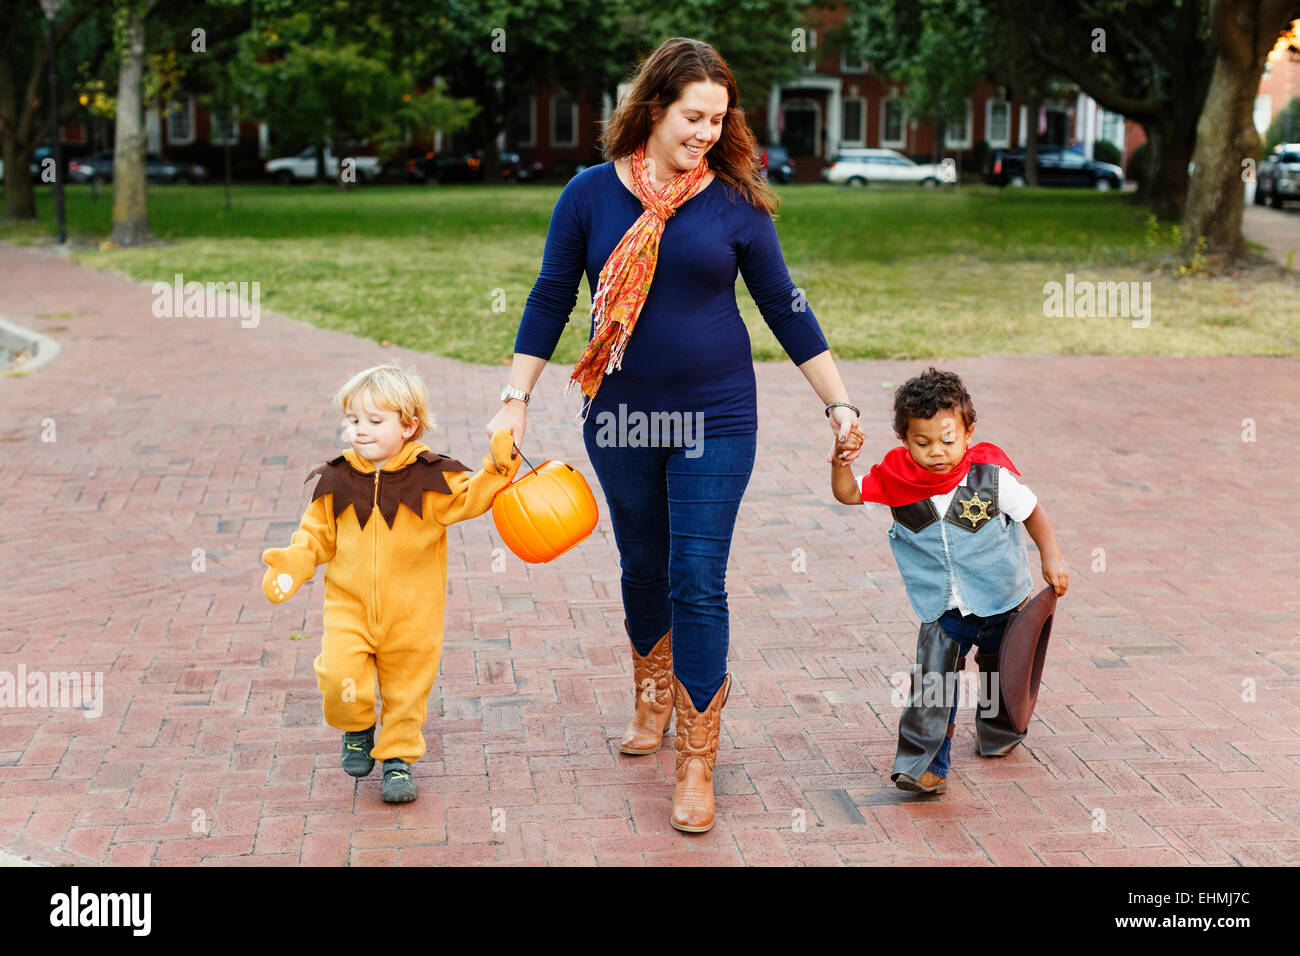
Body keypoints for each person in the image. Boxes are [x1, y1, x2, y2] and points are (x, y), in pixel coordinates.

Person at [486, 37, 866, 833]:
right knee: (643, 565)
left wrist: (838, 404)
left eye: (717, 119)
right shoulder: (589, 194)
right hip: (622, 416)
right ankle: (651, 690)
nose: (705, 131)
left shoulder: (734, 201)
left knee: (698, 575)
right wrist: (515, 397)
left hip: (717, 414)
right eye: (694, 116)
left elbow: (784, 304)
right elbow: (552, 295)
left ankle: (698, 756)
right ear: (654, 107)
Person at [262, 364, 520, 803]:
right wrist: (292, 563)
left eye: (374, 421)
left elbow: (474, 496)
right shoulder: (336, 478)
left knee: (406, 691)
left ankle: (398, 760)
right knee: (339, 673)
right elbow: (314, 536)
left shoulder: (431, 476)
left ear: (408, 425)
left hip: (413, 614)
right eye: (353, 420)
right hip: (350, 607)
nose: (360, 431)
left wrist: (499, 465)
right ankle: (357, 725)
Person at [830, 367, 1068, 794]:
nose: (936, 451)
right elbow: (848, 494)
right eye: (922, 443)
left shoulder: (992, 477)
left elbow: (1033, 512)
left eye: (947, 439)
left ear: (968, 432)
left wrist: (1050, 557)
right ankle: (926, 766)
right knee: (934, 682)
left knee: (999, 671)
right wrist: (839, 462)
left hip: (1001, 599)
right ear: (904, 440)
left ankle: (998, 733)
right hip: (942, 606)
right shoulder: (894, 481)